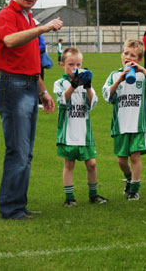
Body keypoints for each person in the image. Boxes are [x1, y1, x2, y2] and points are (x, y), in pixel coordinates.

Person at [0, 0, 63, 220]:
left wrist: (42, 90)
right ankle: (11, 209)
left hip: (28, 85)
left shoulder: (27, 18)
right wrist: (42, 28)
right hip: (12, 86)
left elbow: (31, 62)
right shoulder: (7, 15)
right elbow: (9, 41)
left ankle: (17, 205)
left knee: (26, 152)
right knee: (18, 151)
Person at [102, 39, 146, 200]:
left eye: (133, 55)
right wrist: (119, 80)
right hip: (120, 126)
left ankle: (134, 190)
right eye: (126, 53)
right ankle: (129, 179)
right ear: (121, 55)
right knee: (121, 160)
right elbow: (107, 96)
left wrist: (142, 70)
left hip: (139, 125)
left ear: (139, 59)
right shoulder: (114, 75)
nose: (128, 57)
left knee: (135, 156)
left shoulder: (142, 77)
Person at [54, 47, 107, 206]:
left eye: (78, 64)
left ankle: (93, 195)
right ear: (62, 65)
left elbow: (93, 103)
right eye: (71, 64)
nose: (75, 68)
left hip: (85, 133)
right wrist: (73, 85)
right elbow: (62, 101)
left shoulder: (85, 83)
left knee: (92, 163)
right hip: (68, 132)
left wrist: (88, 86)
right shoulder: (60, 83)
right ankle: (69, 198)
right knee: (69, 164)